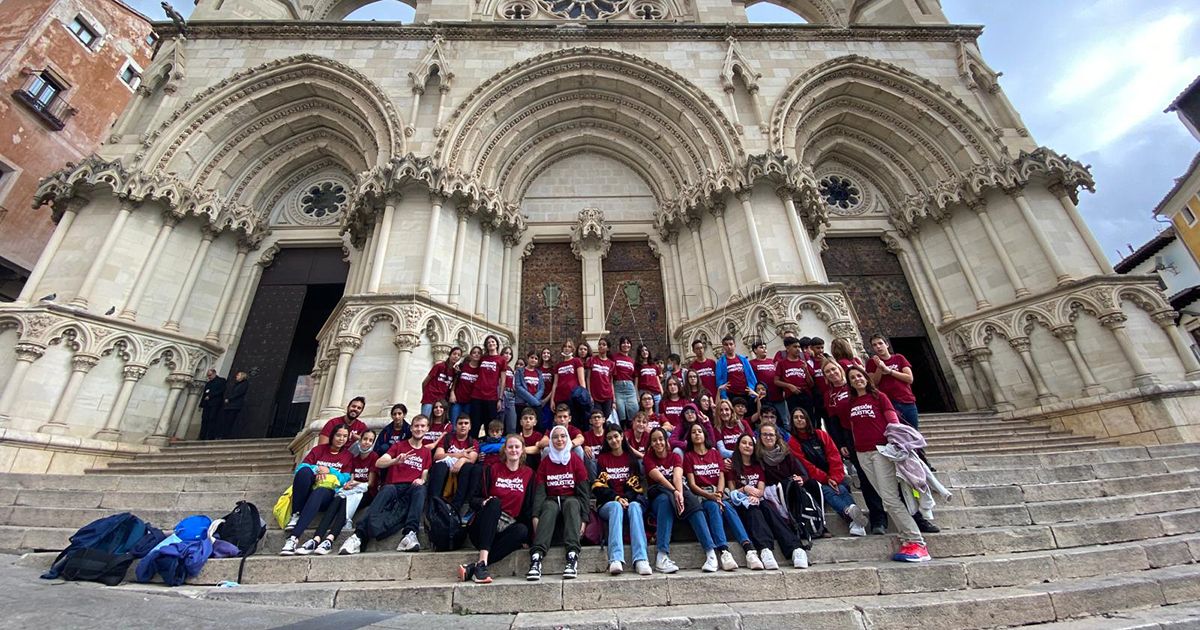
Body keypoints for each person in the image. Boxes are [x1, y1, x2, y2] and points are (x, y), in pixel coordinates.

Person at [841, 364, 930, 562]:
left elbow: (893, 423)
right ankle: (907, 539)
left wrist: (897, 444)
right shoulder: (851, 403)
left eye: (859, 376)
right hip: (863, 453)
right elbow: (852, 427)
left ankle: (917, 542)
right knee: (885, 497)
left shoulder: (879, 397)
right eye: (853, 378)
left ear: (866, 378)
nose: (857, 379)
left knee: (890, 498)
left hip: (881, 451)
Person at [340, 415, 432, 555]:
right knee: (387, 490)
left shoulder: (426, 452)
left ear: (427, 429)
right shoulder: (399, 446)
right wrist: (395, 461)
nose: (419, 429)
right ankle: (358, 536)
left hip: (412, 488)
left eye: (422, 426)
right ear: (411, 428)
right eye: (416, 426)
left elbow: (424, 473)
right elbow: (379, 463)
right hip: (394, 487)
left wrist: (422, 480)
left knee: (420, 489)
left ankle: (410, 534)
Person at [643, 427, 723, 573]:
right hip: (658, 493)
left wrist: (679, 493)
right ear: (651, 443)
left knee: (692, 502)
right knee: (665, 501)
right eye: (654, 440)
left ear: (666, 441)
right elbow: (659, 478)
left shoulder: (675, 456)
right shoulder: (648, 458)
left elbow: (677, 477)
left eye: (661, 439)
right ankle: (662, 555)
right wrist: (674, 492)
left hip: (676, 488)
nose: (658, 443)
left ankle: (710, 553)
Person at [458, 434, 535, 584]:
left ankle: (476, 567)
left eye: (517, 447)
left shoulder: (529, 474)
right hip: (483, 527)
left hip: (505, 528)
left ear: (522, 450)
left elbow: (528, 507)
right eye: (510, 447)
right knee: (495, 503)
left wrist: (529, 537)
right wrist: (483, 502)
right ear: (504, 450)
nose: (513, 450)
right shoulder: (492, 469)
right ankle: (482, 562)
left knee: (522, 531)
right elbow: (473, 499)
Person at [823, 360, 887, 534]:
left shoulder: (858, 388)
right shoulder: (830, 395)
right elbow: (833, 422)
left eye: (833, 369)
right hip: (851, 437)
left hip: (875, 434)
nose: (832, 373)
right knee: (865, 479)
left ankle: (914, 516)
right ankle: (878, 519)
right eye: (827, 371)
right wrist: (841, 443)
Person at [296, 429, 379, 555]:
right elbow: (351, 478)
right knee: (338, 498)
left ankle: (330, 539)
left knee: (344, 501)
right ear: (360, 440)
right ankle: (316, 539)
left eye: (370, 440)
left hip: (366, 493)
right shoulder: (354, 458)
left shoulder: (374, 457)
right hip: (353, 490)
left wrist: (357, 484)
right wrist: (349, 484)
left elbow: (371, 483)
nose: (367, 442)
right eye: (365, 439)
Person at [788, 408, 868, 537]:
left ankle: (854, 520)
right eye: (796, 417)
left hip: (832, 475)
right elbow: (806, 465)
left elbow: (834, 456)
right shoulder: (792, 441)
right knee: (826, 490)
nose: (799, 420)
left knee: (842, 488)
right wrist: (826, 479)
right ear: (792, 421)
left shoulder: (820, 434)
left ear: (807, 419)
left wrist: (834, 477)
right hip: (814, 479)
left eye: (802, 417)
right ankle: (849, 512)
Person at [527, 425, 590, 581]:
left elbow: (583, 493)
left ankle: (572, 556)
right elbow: (540, 492)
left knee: (572, 504)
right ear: (551, 441)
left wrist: (584, 519)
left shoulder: (575, 460)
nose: (559, 440)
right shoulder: (545, 462)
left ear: (567, 438)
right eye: (555, 437)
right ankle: (536, 558)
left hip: (571, 500)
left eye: (563, 436)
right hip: (552, 499)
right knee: (548, 507)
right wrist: (535, 516)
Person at [728, 432, 799, 571]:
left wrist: (756, 495)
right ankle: (765, 549)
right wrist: (745, 489)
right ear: (738, 446)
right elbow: (732, 491)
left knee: (767, 508)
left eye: (750, 444)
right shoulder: (732, 466)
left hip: (758, 499)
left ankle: (795, 548)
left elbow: (761, 489)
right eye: (744, 443)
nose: (747, 446)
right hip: (742, 504)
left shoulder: (757, 465)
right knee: (753, 510)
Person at [281, 425, 353, 554]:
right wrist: (317, 470)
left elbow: (345, 479)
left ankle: (293, 538)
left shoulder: (348, 456)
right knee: (304, 472)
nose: (341, 439)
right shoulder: (319, 450)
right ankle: (296, 513)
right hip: (311, 487)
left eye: (345, 436)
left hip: (328, 493)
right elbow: (300, 469)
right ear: (332, 436)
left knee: (319, 492)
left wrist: (329, 470)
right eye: (338, 435)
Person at [682, 423, 741, 571]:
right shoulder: (688, 456)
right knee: (713, 505)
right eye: (693, 432)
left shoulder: (715, 453)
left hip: (717, 492)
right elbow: (692, 484)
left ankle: (737, 550)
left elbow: (721, 477)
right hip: (701, 494)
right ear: (690, 437)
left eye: (699, 431)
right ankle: (723, 550)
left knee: (723, 506)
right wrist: (710, 496)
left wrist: (719, 494)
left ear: (705, 435)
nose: (697, 434)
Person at [593, 424, 652, 575]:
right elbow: (599, 488)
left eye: (616, 436)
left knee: (635, 506)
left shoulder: (631, 459)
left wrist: (625, 498)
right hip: (608, 504)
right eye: (609, 438)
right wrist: (617, 498)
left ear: (622, 436)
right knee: (616, 506)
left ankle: (641, 559)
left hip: (630, 501)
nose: (613, 440)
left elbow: (636, 488)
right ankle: (615, 559)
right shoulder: (603, 459)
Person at [755, 424, 811, 568]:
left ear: (777, 436)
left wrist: (801, 479)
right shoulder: (757, 456)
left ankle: (802, 531)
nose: (768, 437)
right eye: (764, 434)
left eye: (771, 434)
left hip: (788, 494)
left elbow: (803, 474)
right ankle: (796, 548)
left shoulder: (787, 454)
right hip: (768, 495)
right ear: (760, 437)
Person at [427, 415, 480, 515]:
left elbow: (472, 459)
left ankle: (455, 507)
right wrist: (460, 455)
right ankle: (433, 506)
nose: (463, 426)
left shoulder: (473, 442)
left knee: (468, 467)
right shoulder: (447, 438)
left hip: (462, 472)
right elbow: (437, 456)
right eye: (460, 423)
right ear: (456, 426)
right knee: (440, 466)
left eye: (466, 423)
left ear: (470, 427)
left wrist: (461, 460)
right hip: (444, 470)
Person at [866, 334, 919, 429]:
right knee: (896, 432)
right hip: (888, 403)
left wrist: (889, 371)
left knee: (913, 432)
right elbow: (873, 383)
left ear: (886, 344)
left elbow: (909, 378)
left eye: (880, 343)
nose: (878, 346)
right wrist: (879, 367)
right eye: (874, 345)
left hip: (907, 401)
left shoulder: (899, 358)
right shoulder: (871, 363)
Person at [471, 335, 507, 438]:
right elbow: (472, 364)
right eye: (489, 342)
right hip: (477, 395)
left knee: (490, 425)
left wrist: (500, 398)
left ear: (497, 344)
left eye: (493, 342)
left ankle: (489, 446)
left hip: (491, 396)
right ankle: (473, 445)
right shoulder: (482, 358)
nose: (491, 343)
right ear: (486, 346)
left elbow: (503, 380)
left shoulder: (501, 360)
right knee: (475, 423)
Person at [774, 337, 816, 426]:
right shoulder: (782, 363)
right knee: (796, 420)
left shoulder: (803, 362)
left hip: (806, 394)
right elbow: (776, 381)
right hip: (791, 396)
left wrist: (806, 371)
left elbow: (811, 383)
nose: (798, 349)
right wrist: (789, 386)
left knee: (810, 419)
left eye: (799, 347)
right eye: (795, 347)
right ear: (788, 348)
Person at [549, 340, 588, 429]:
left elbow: (582, 381)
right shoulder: (558, 365)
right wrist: (552, 400)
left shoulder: (577, 361)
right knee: (560, 422)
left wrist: (584, 397)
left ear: (572, 349)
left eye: (569, 346)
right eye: (565, 346)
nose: (567, 348)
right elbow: (555, 383)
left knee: (574, 422)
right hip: (559, 398)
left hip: (573, 398)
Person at [749, 341, 787, 424]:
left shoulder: (772, 361)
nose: (764, 349)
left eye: (765, 348)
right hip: (764, 399)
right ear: (755, 350)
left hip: (778, 396)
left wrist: (784, 390)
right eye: (761, 347)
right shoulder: (751, 363)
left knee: (784, 420)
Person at [421, 347, 462, 418]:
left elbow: (453, 386)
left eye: (458, 355)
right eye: (454, 354)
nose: (456, 356)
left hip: (441, 401)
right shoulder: (439, 366)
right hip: (430, 398)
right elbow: (425, 382)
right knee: (425, 419)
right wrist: (426, 395)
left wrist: (457, 374)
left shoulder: (454, 371)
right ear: (450, 355)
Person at [716, 335, 758, 401]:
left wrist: (754, 390)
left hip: (747, 393)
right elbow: (719, 380)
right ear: (723, 347)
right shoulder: (720, 362)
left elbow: (751, 375)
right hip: (731, 395)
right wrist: (724, 396)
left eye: (731, 344)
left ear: (735, 345)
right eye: (726, 345)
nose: (729, 347)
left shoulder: (743, 359)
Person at [450, 346, 481, 428]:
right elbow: (455, 380)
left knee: (466, 426)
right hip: (458, 400)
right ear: (470, 354)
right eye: (474, 352)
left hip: (470, 402)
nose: (476, 354)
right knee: (454, 425)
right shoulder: (462, 366)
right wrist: (452, 393)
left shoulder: (480, 370)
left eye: (478, 353)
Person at [611, 337, 639, 426]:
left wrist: (636, 392)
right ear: (620, 345)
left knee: (634, 410)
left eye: (628, 343)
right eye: (623, 343)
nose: (626, 345)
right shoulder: (614, 357)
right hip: (618, 386)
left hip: (630, 387)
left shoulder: (632, 360)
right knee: (620, 412)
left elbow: (635, 376)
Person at [588, 338, 617, 422]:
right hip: (595, 396)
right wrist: (589, 394)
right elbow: (588, 378)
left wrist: (614, 399)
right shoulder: (592, 360)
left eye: (604, 345)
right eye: (599, 344)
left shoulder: (611, 363)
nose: (601, 346)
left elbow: (611, 382)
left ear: (608, 348)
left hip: (607, 396)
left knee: (607, 419)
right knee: (596, 419)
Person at [514, 350, 546, 425]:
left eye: (536, 358)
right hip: (522, 404)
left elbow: (542, 388)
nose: (533, 360)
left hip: (535, 404)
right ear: (528, 358)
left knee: (539, 426)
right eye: (532, 357)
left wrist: (534, 400)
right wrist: (532, 400)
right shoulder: (519, 371)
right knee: (521, 426)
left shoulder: (539, 373)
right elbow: (518, 387)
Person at [217, 370, 249, 439]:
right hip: (229, 406)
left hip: (234, 406)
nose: (236, 376)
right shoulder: (236, 384)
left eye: (238, 375)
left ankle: (225, 436)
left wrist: (229, 399)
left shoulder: (244, 384)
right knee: (224, 421)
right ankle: (221, 434)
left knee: (230, 421)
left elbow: (238, 393)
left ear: (242, 376)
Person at [198, 369, 225, 441]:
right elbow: (204, 394)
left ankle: (210, 436)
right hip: (207, 404)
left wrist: (210, 396)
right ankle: (202, 436)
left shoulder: (221, 381)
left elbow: (221, 391)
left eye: (210, 375)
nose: (209, 377)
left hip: (215, 404)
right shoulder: (208, 383)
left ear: (214, 374)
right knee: (204, 419)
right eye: (208, 376)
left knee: (212, 419)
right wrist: (201, 404)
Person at [635, 344, 662, 412]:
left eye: (646, 350)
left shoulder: (654, 365)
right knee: (646, 414)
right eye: (642, 351)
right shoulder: (638, 366)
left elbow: (658, 381)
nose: (644, 352)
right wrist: (637, 395)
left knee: (657, 413)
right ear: (639, 353)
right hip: (644, 393)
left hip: (656, 393)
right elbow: (636, 383)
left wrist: (662, 393)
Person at [581, 407, 607, 477]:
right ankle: (594, 482)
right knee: (587, 455)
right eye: (594, 417)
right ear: (590, 421)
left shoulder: (608, 434)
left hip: (606, 463)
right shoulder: (585, 435)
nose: (596, 419)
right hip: (593, 464)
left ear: (604, 420)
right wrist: (584, 447)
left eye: (599, 417)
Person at [501, 347, 518, 434]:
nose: (508, 355)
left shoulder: (510, 369)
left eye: (510, 354)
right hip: (502, 395)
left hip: (511, 395)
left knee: (512, 424)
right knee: (500, 422)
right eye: (506, 353)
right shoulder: (499, 366)